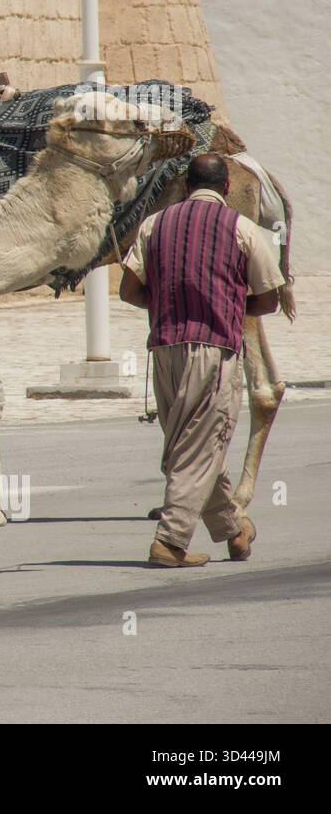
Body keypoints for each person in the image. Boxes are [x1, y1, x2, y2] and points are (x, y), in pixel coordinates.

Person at [119, 153, 285, 567]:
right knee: (200, 448)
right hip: (214, 351)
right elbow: (268, 299)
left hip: (164, 350)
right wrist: (227, 302)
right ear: (227, 187)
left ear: (186, 186)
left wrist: (164, 303)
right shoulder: (243, 229)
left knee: (192, 444)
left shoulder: (154, 225)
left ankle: (234, 532)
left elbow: (128, 290)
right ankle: (170, 542)